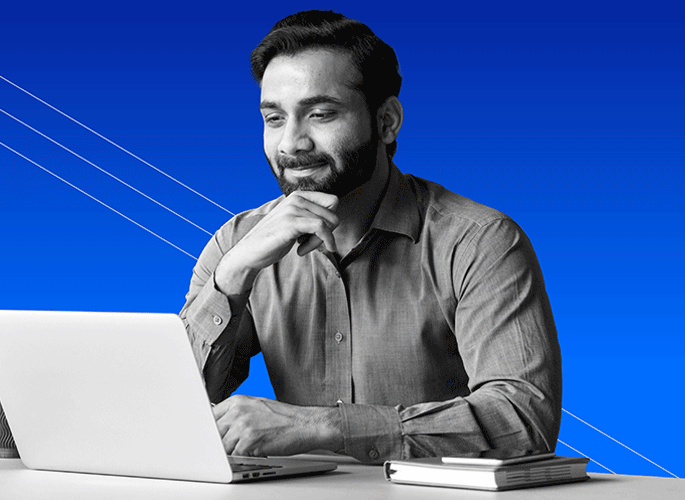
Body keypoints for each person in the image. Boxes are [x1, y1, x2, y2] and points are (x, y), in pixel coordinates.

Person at [179, 10, 561, 464]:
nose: (291, 144)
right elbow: (172, 408)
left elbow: (523, 421)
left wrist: (325, 427)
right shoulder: (237, 244)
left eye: (320, 114)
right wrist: (232, 278)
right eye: (275, 118)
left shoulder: (479, 242)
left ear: (387, 121)